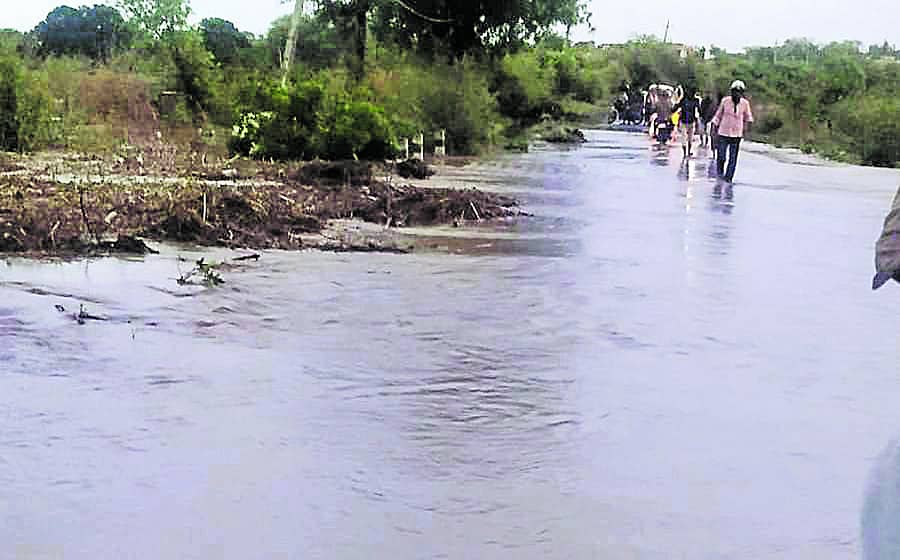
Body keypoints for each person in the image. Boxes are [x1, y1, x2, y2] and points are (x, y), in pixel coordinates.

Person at [712, 80, 754, 183]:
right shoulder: (725, 101)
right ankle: (720, 174)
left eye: (739, 92)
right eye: (735, 91)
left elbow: (748, 118)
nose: (736, 94)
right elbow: (718, 115)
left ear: (742, 93)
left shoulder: (745, 104)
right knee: (721, 156)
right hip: (723, 133)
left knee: (733, 158)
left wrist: (746, 129)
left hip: (736, 135)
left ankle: (728, 178)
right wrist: (714, 127)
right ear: (731, 92)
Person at [672, 86, 702, 157]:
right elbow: (675, 108)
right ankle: (686, 152)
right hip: (685, 122)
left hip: (689, 121)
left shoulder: (691, 100)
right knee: (686, 138)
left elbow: (674, 109)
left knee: (689, 138)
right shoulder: (687, 100)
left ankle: (687, 152)